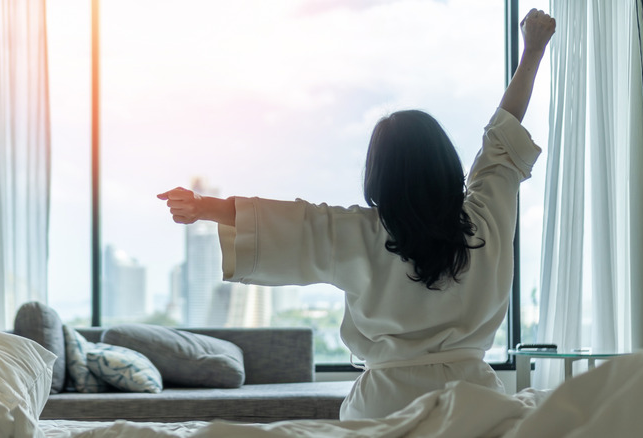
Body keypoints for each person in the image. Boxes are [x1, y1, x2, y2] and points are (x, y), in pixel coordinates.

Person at [158, 9, 556, 420]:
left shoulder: (358, 232)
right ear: (446, 164)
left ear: (378, 175)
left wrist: (207, 208)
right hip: (475, 406)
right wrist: (532, 52)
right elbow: (502, 140)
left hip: (384, 408)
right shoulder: (485, 219)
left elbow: (294, 225)